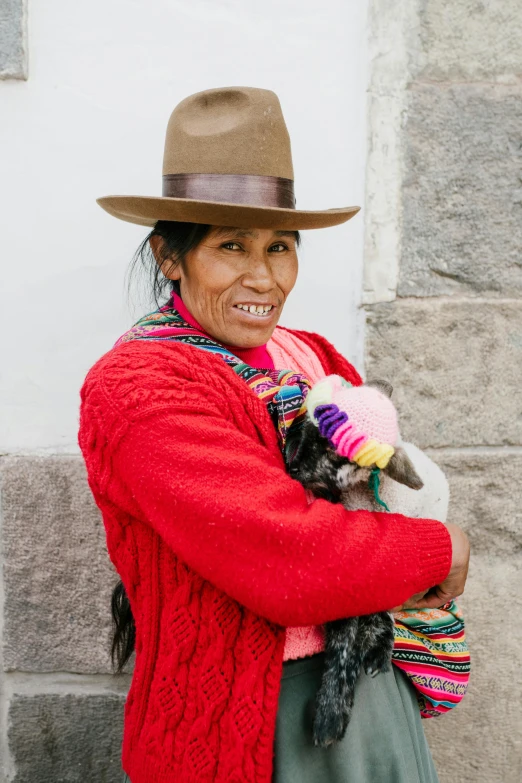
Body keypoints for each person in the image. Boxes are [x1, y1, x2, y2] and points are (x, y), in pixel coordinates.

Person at [78, 86, 470, 783]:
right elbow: (286, 557)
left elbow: (375, 485)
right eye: (231, 246)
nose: (265, 276)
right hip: (254, 725)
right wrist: (442, 549)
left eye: (281, 246)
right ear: (171, 256)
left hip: (370, 690)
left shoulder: (307, 355)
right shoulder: (138, 387)